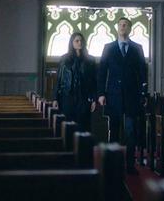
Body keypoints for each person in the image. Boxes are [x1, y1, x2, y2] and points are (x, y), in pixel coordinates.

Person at [97, 17, 148, 174]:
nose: (122, 27)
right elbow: (102, 72)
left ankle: (130, 165)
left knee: (130, 131)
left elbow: (142, 73)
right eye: (120, 25)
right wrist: (101, 93)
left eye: (125, 25)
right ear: (116, 28)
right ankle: (113, 164)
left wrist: (143, 93)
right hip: (113, 95)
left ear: (130, 29)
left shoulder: (137, 48)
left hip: (132, 96)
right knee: (114, 130)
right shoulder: (108, 48)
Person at [54, 32, 97, 131]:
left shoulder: (90, 60)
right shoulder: (64, 59)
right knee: (68, 124)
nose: (79, 43)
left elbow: (94, 81)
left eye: (81, 41)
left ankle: (83, 146)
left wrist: (94, 99)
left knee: (83, 125)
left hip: (84, 97)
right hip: (68, 96)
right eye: (76, 41)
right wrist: (55, 98)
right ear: (72, 43)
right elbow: (59, 79)